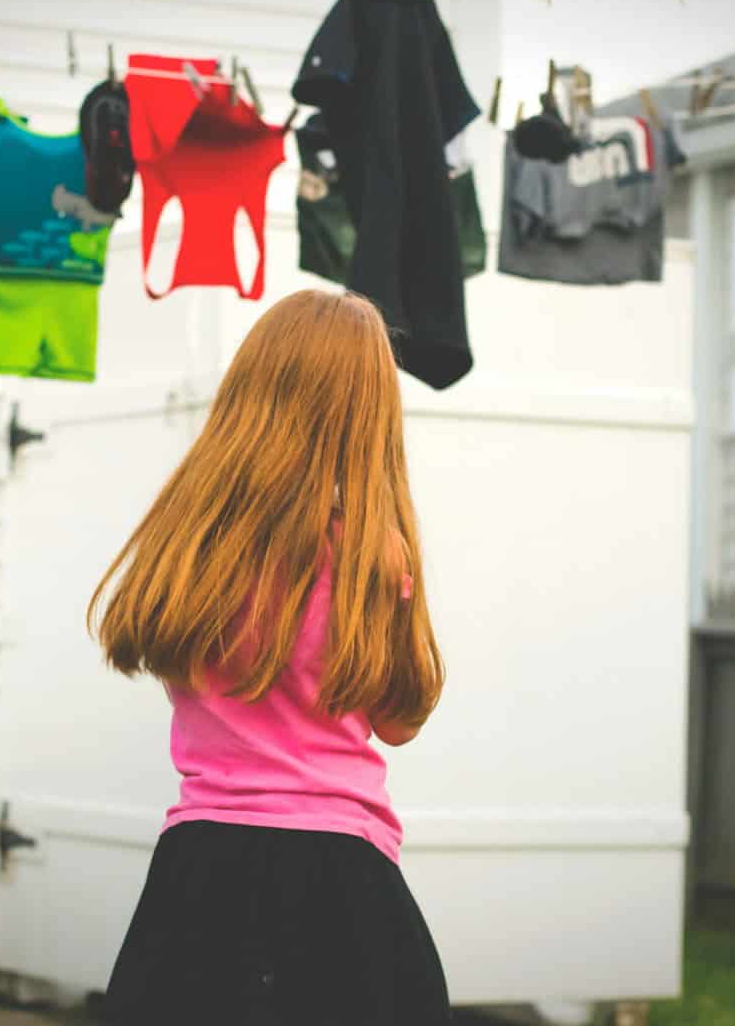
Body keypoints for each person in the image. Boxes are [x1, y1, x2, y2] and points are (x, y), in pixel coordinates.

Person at [87, 289, 451, 1025]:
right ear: (367, 414)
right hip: (343, 884)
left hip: (198, 874)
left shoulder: (193, 550)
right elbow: (399, 721)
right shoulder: (371, 557)